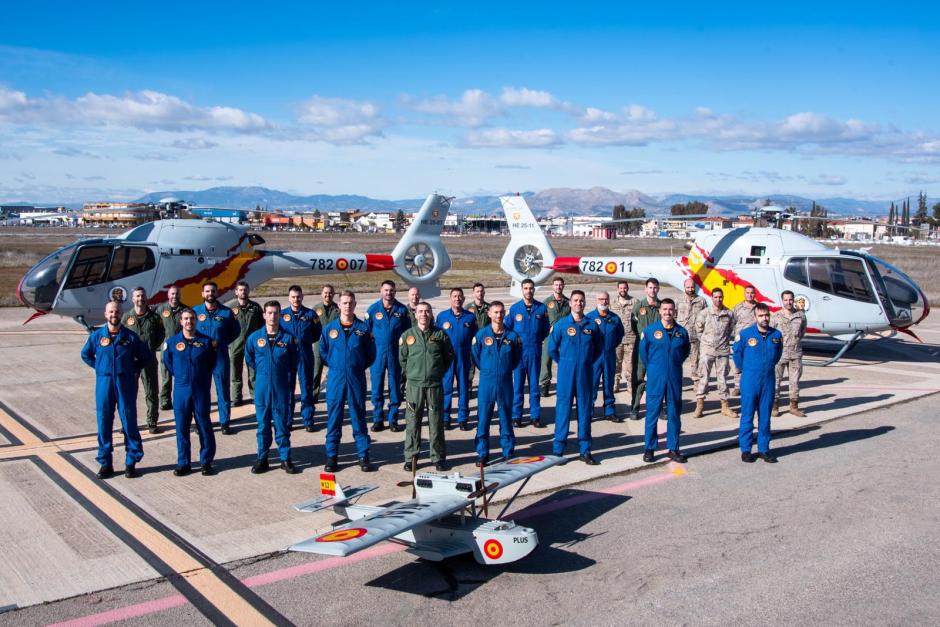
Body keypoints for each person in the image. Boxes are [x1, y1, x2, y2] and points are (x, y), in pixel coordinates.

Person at [80, 301, 153, 479]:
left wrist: (132, 368)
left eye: (117, 312)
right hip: (104, 383)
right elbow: (86, 354)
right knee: (104, 422)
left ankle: (131, 461)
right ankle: (106, 462)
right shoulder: (97, 336)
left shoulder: (130, 337)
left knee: (129, 421)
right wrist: (100, 367)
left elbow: (146, 356)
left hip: (125, 383)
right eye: (111, 312)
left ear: (122, 314)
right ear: (106, 314)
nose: (114, 315)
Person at [320, 290, 376, 472]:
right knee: (334, 419)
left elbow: (371, 355)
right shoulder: (330, 329)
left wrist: (356, 366)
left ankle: (363, 455)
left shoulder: (363, 329)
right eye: (344, 303)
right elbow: (323, 352)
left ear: (355, 304)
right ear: (339, 305)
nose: (348, 306)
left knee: (358, 417)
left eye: (351, 302)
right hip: (336, 378)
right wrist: (337, 366)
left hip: (356, 378)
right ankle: (332, 456)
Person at [548, 290, 602, 464]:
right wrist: (564, 362)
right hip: (566, 374)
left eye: (581, 300)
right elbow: (552, 349)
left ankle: (585, 450)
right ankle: (558, 449)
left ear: (585, 303)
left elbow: (598, 349)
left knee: (585, 411)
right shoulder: (561, 325)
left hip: (585, 375)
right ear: (570, 303)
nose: (578, 303)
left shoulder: (592, 326)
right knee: (563, 410)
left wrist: (586, 362)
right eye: (575, 300)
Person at [246, 301, 300, 474]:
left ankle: (285, 458)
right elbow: (250, 358)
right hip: (262, 385)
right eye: (269, 313)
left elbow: (295, 361)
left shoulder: (288, 338)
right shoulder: (255, 338)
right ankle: (262, 459)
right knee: (262, 425)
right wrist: (264, 370)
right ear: (264, 315)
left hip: (281, 385)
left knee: (281, 424)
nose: (273, 316)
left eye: (276, 313)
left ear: (280, 315)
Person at [399, 302, 454, 471]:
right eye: (420, 311)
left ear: (431, 314)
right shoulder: (407, 335)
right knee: (412, 422)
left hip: (434, 386)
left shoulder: (440, 335)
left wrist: (436, 373)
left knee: (436, 422)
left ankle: (437, 457)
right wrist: (412, 375)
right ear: (415, 314)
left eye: (427, 311)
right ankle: (411, 457)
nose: (423, 314)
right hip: (414, 387)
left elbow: (448, 357)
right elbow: (402, 359)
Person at [162, 308, 217, 476]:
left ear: (196, 321)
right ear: (180, 321)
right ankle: (183, 462)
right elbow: (168, 363)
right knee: (182, 428)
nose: (189, 322)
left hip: (200, 390)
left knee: (204, 426)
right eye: (185, 319)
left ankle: (206, 462)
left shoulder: (207, 342)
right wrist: (182, 376)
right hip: (181, 390)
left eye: (192, 318)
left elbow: (211, 364)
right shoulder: (172, 343)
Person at [639, 299, 691, 463]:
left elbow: (685, 351)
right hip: (656, 376)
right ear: (660, 311)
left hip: (674, 376)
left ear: (674, 311)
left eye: (670, 309)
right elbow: (644, 353)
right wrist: (654, 368)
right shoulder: (650, 331)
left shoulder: (681, 332)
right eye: (665, 309)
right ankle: (649, 448)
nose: (667, 312)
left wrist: (673, 364)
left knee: (674, 413)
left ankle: (674, 448)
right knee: (652, 413)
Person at [471, 300, 521, 465]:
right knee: (483, 419)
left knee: (506, 417)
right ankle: (482, 453)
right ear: (489, 314)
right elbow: (476, 357)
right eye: (496, 312)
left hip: (505, 382)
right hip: (487, 382)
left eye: (501, 312)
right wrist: (488, 369)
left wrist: (503, 369)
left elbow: (516, 359)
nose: (499, 315)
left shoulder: (512, 337)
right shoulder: (481, 335)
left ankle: (508, 451)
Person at [733, 303, 783, 463]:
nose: (764, 318)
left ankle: (764, 449)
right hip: (750, 380)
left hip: (768, 380)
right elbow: (737, 353)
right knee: (747, 416)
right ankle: (746, 450)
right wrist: (745, 368)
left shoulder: (776, 335)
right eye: (761, 316)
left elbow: (778, 354)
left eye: (766, 315)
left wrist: (767, 366)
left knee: (765, 417)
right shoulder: (746, 334)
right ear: (755, 317)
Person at [193, 282, 240, 434]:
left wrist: (223, 342)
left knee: (223, 389)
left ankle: (224, 421)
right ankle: (203, 421)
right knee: (202, 391)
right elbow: (189, 330)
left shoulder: (226, 312)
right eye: (207, 291)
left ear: (217, 293)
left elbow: (235, 331)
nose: (210, 293)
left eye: (213, 291)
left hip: (220, 356)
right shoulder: (195, 311)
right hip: (201, 357)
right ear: (202, 294)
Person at [505, 278, 550, 428]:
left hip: (535, 352)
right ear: (522, 290)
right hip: (518, 354)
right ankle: (516, 416)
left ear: (534, 289)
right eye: (525, 288)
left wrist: (535, 341)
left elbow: (545, 330)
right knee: (517, 386)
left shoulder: (542, 309)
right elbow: (508, 329)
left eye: (531, 288)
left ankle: (535, 416)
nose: (528, 291)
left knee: (534, 387)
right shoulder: (515, 309)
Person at [367, 280, 411, 432]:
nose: (388, 293)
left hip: (395, 354)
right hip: (377, 355)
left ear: (395, 292)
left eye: (391, 290)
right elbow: (367, 332)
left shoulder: (402, 310)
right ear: (381, 291)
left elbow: (408, 333)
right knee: (377, 388)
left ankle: (393, 419)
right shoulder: (373, 309)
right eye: (386, 290)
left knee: (395, 388)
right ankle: (378, 419)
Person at [122, 287, 165, 433]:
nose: (140, 299)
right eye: (137, 296)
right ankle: (127, 423)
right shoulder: (127, 317)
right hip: (130, 362)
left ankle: (152, 421)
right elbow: (121, 336)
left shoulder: (154, 317)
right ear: (133, 299)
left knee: (151, 392)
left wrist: (151, 346)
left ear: (146, 298)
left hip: (148, 359)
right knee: (128, 393)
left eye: (142, 296)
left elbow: (161, 334)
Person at [280, 285, 322, 432]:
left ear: (302, 297)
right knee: (288, 390)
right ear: (289, 298)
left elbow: (317, 334)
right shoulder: (282, 315)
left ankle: (308, 419)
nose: (296, 299)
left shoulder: (311, 315)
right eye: (293, 297)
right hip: (287, 357)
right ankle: (288, 420)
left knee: (307, 388)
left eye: (298, 296)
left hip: (305, 356)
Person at [437, 287, 478, 430]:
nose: (457, 299)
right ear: (450, 299)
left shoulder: (470, 317)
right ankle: (445, 418)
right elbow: (437, 339)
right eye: (454, 296)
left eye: (460, 296)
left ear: (464, 299)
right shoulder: (442, 317)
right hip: (447, 359)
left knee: (463, 389)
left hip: (464, 358)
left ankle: (463, 419)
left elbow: (475, 339)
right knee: (446, 389)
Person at [693, 288, 737, 419]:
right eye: (716, 297)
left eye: (720, 297)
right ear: (711, 298)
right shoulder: (704, 313)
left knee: (722, 378)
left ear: (723, 297)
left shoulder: (729, 313)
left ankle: (725, 406)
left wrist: (722, 342)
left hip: (722, 350)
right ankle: (699, 406)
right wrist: (707, 342)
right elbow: (698, 330)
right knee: (704, 378)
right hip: (707, 350)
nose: (718, 299)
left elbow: (730, 330)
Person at [586, 291, 625, 421]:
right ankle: (588, 411)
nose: (603, 302)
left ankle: (609, 411)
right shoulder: (589, 318)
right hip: (594, 358)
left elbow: (619, 336)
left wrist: (610, 346)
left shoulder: (615, 318)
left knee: (609, 384)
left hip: (609, 355)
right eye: (601, 299)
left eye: (606, 299)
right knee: (592, 384)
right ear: (596, 301)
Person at [771, 290, 808, 418]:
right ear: (782, 301)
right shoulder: (775, 317)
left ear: (794, 300)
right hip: (780, 354)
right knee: (776, 381)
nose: (788, 302)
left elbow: (802, 332)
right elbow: (771, 334)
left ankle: (794, 406)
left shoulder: (800, 316)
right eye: (786, 300)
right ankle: (775, 406)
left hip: (795, 353)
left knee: (795, 382)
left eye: (790, 300)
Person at [227, 281, 263, 407]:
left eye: (245, 289)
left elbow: (261, 326)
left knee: (253, 372)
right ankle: (236, 397)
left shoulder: (256, 307)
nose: (243, 292)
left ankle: (254, 395)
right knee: (235, 372)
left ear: (248, 291)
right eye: (240, 290)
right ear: (236, 292)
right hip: (235, 344)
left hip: (252, 346)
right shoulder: (230, 308)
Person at [630, 278, 661, 419]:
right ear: (645, 289)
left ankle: (658, 408)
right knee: (638, 379)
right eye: (650, 287)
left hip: (658, 350)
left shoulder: (662, 307)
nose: (652, 290)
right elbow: (634, 325)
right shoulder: (638, 307)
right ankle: (635, 408)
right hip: (641, 349)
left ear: (658, 289)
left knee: (657, 380)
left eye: (655, 287)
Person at [155, 286, 185, 411]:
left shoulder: (185, 310)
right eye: (172, 294)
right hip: (166, 348)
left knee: (181, 376)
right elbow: (155, 327)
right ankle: (165, 401)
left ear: (180, 295)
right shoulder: (161, 310)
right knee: (165, 377)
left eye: (177, 294)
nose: (174, 296)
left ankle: (181, 400)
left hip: (181, 348)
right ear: (168, 295)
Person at [540, 277, 570, 396]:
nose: (558, 287)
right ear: (553, 286)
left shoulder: (568, 303)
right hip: (550, 336)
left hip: (564, 337)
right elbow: (541, 318)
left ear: (563, 286)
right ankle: (544, 385)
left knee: (564, 360)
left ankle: (564, 384)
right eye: (556, 285)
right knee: (546, 360)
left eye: (560, 285)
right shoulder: (547, 302)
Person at [677, 279, 707, 391]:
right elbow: (673, 316)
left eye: (692, 287)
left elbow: (705, 317)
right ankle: (678, 381)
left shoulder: (701, 301)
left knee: (695, 360)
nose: (690, 289)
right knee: (678, 360)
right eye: (688, 287)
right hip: (681, 336)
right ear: (684, 287)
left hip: (695, 336)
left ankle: (696, 381)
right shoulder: (679, 300)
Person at [312, 284, 339, 407]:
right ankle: (314, 394)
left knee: (335, 370)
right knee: (316, 370)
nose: (328, 295)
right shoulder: (315, 309)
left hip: (334, 344)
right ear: (321, 294)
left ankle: (335, 393)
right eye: (325, 292)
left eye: (330, 293)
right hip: (319, 343)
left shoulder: (337, 309)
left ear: (333, 294)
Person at [731, 285, 759, 396]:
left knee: (753, 364)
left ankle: (751, 385)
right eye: (747, 292)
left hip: (754, 342)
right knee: (738, 364)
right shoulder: (737, 308)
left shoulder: (758, 308)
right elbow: (731, 323)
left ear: (755, 294)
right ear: (744, 294)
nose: (750, 295)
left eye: (752, 293)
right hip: (741, 341)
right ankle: (737, 386)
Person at [611, 281, 636, 394]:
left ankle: (630, 385)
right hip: (616, 339)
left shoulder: (635, 302)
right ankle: (615, 383)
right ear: (617, 289)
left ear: (628, 288)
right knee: (616, 363)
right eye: (621, 288)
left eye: (625, 288)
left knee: (630, 364)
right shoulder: (612, 303)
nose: (623, 290)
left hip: (631, 339)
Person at [465, 282, 489, 391]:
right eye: (477, 291)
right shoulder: (467, 308)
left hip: (485, 342)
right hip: (471, 342)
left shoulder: (489, 308)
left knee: (485, 365)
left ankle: (485, 387)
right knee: (470, 366)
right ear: (473, 293)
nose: (480, 293)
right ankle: (468, 387)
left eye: (481, 291)